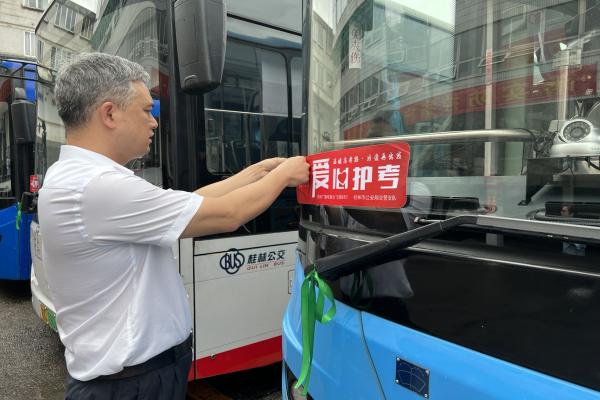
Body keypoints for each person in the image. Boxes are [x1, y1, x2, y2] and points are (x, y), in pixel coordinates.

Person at [37, 52, 309, 400]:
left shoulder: (76, 177)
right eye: (146, 110)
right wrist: (286, 175)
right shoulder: (97, 187)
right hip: (132, 385)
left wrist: (257, 172)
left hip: (129, 378)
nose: (154, 122)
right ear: (109, 114)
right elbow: (228, 215)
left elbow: (187, 202)